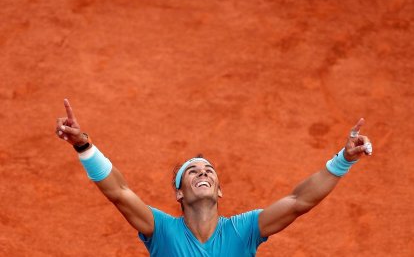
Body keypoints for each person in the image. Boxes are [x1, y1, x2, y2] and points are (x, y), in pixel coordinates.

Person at [56, 99, 372, 256]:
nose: (203, 172)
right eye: (191, 171)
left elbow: (299, 201)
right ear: (179, 193)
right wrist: (83, 145)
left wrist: (343, 160)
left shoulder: (245, 230)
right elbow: (120, 192)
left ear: (219, 191)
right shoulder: (161, 230)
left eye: (209, 171)